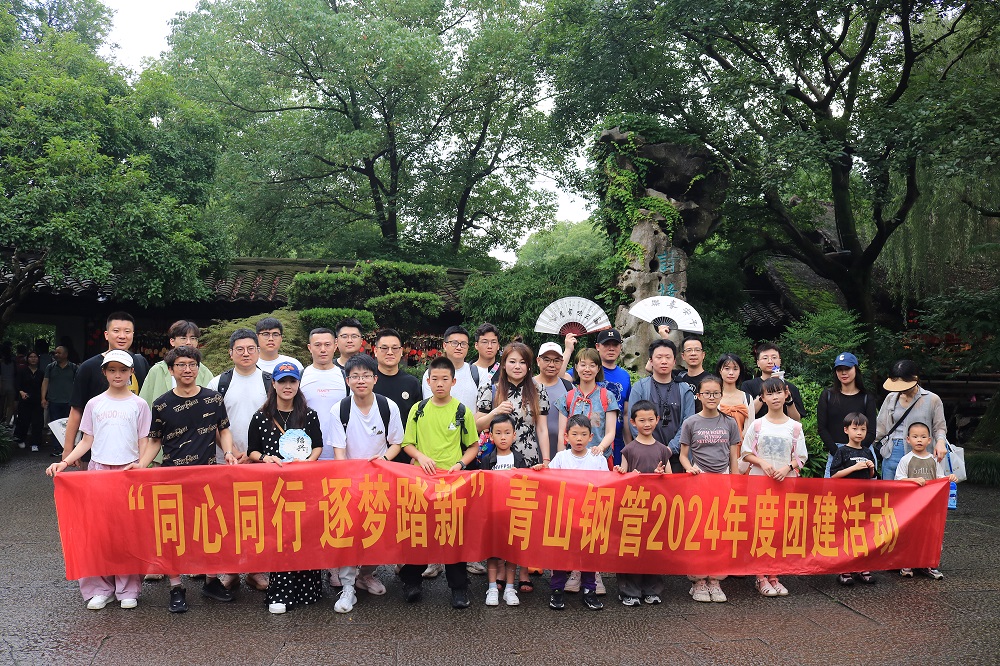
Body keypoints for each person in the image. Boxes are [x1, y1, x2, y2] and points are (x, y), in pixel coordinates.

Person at [45, 350, 152, 610]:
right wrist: (65, 462)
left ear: (131, 373)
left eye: (123, 370)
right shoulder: (94, 404)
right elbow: (87, 441)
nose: (118, 375)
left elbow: (144, 441)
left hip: (128, 473)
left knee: (127, 532)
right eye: (112, 370)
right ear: (104, 373)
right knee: (97, 532)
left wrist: (142, 466)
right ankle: (100, 588)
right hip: (98, 471)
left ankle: (128, 588)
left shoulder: (139, 404)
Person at [138, 345, 240, 613]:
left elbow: (224, 430)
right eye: (181, 365)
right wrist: (140, 466)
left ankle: (211, 581)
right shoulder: (161, 404)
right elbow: (155, 441)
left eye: (192, 364)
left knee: (210, 530)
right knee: (173, 533)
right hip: (172, 478)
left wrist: (229, 452)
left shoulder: (213, 399)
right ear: (171, 370)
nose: (187, 369)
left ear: (198, 368)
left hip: (208, 476)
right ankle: (176, 587)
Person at [399, 356, 480, 609]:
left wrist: (461, 464)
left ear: (454, 382)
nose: (440, 383)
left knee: (452, 533)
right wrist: (421, 457)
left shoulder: (461, 411)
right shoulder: (418, 409)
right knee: (419, 532)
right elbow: (407, 443)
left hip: (451, 482)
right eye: (435, 379)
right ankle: (412, 581)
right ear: (428, 380)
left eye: (445, 379)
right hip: (420, 482)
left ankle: (459, 587)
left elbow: (473, 446)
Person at [246, 362, 325, 613]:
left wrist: (309, 462)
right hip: (275, 488)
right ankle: (280, 592)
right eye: (282, 381)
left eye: (292, 381)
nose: (287, 386)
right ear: (274, 384)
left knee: (304, 534)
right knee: (281, 537)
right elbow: (252, 450)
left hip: (303, 486)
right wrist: (265, 458)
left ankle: (307, 590)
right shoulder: (261, 416)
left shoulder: (309, 415)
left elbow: (318, 445)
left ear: (298, 384)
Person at [328, 354, 404, 612]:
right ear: (347, 380)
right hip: (350, 481)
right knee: (349, 533)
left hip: (380, 481)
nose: (361, 381)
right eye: (355, 376)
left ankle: (366, 574)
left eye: (366, 376)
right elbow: (339, 451)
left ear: (375, 379)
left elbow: (396, 443)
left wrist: (384, 459)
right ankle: (348, 586)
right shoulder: (339, 410)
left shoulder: (388, 407)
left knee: (378, 531)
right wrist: (347, 479)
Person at [475, 341, 552, 584]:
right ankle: (499, 570)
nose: (517, 366)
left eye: (522, 362)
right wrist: (495, 411)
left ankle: (524, 571)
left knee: (525, 517)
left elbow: (541, 428)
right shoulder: (490, 387)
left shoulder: (537, 389)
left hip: (528, 460)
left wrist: (546, 459)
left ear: (529, 366)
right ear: (504, 363)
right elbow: (477, 424)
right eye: (512, 361)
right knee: (499, 517)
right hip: (497, 463)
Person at [206, 329, 272, 592]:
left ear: (258, 351)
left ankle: (255, 570)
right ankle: (231, 569)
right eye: (240, 349)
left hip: (260, 462)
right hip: (226, 461)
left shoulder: (270, 382)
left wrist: (255, 453)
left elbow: (275, 420)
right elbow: (211, 422)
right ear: (230, 353)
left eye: (251, 349)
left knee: (259, 517)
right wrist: (231, 450)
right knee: (228, 518)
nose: (246, 353)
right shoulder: (217, 383)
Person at [739, 376, 807, 598]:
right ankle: (760, 576)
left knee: (779, 529)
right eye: (770, 393)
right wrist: (762, 462)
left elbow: (801, 457)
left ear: (786, 394)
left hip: (785, 483)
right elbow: (745, 453)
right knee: (760, 528)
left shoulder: (795, 427)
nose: (775, 397)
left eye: (779, 392)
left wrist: (788, 468)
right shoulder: (757, 425)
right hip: (759, 483)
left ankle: (775, 575)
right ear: (763, 398)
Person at [678, 377, 742, 603]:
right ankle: (698, 581)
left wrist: (735, 484)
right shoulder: (691, 422)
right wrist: (689, 469)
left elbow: (733, 456)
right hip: (699, 481)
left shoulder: (729, 422)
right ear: (699, 396)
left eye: (716, 393)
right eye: (707, 393)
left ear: (721, 395)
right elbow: (683, 456)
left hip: (723, 481)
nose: (712, 397)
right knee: (699, 532)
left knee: (720, 532)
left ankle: (715, 579)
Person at [63, 312, 150, 465]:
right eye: (116, 331)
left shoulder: (140, 363)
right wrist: (68, 449)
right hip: (96, 451)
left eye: (127, 331)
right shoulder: (88, 367)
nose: (122, 336)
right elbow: (76, 409)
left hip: (132, 454)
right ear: (106, 334)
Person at [547, 414, 608, 611]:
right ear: (566, 436)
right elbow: (548, 481)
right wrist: (540, 470)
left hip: (590, 515)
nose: (579, 439)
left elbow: (608, 484)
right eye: (574, 434)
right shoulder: (561, 458)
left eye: (583, 434)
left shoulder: (597, 458)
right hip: (565, 515)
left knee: (589, 553)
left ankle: (590, 590)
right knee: (560, 553)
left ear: (591, 437)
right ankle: (557, 589)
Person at [614, 400, 669, 606]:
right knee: (631, 548)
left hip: (655, 509)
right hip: (633, 508)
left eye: (651, 419)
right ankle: (629, 590)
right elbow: (623, 475)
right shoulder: (629, 449)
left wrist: (660, 475)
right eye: (642, 420)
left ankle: (652, 589)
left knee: (653, 549)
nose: (647, 424)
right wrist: (625, 474)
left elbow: (672, 480)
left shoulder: (663, 450)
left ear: (657, 420)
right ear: (633, 422)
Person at [481, 414, 532, 607]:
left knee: (512, 551)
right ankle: (492, 587)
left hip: (514, 513)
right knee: (492, 551)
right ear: (491, 436)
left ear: (514, 435)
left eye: (507, 432)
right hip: (493, 513)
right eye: (498, 433)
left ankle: (510, 588)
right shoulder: (487, 459)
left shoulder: (519, 459)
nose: (503, 437)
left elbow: (526, 484)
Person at [895, 421, 956, 580]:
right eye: (915, 436)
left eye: (923, 437)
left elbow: (940, 478)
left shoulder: (933, 460)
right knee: (911, 533)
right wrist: (913, 480)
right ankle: (907, 563)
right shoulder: (906, 459)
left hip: (931, 506)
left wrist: (949, 478)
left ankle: (928, 563)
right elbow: (898, 480)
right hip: (912, 506)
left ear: (929, 440)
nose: (919, 440)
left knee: (930, 534)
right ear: (908, 439)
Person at [627, 339, 696, 473]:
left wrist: (670, 449)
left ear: (674, 361)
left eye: (668, 357)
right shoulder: (640, 388)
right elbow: (633, 421)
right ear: (651, 361)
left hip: (677, 457)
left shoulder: (684, 390)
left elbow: (688, 424)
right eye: (659, 357)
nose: (664, 361)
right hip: (645, 454)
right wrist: (650, 448)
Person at [567, 328, 631, 465]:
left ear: (620, 347)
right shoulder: (587, 368)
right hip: (583, 441)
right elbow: (559, 378)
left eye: (615, 344)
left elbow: (626, 413)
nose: (611, 348)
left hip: (614, 441)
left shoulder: (625, 376)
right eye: (606, 344)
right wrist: (568, 350)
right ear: (597, 346)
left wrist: (629, 444)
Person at [876, 360, 948, 481]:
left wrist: (941, 442)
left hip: (921, 453)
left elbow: (939, 427)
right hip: (893, 451)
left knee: (919, 489)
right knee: (890, 490)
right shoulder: (891, 398)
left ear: (915, 379)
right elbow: (880, 427)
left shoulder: (932, 399)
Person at [829, 412, 877, 586]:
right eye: (855, 429)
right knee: (846, 534)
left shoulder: (867, 451)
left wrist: (871, 468)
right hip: (846, 500)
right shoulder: (841, 451)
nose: (859, 433)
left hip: (863, 500)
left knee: (863, 533)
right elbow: (834, 475)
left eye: (863, 429)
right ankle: (845, 568)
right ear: (846, 430)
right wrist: (854, 468)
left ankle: (862, 567)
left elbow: (872, 476)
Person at [817, 352, 877, 478]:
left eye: (847, 368)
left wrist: (859, 450)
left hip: (863, 453)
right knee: (831, 489)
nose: (843, 373)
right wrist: (838, 452)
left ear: (856, 369)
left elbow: (871, 431)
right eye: (839, 369)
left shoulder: (866, 397)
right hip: (836, 450)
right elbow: (822, 428)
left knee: (866, 490)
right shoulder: (827, 395)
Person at [372, 328, 421, 466]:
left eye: (394, 348)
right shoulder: (367, 382)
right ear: (375, 351)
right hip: (373, 455)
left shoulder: (412, 383)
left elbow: (419, 421)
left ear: (401, 351)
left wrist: (416, 454)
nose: (390, 352)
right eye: (384, 348)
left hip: (405, 456)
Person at [139, 321, 214, 408]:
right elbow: (143, 405)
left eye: (193, 338)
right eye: (183, 338)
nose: (188, 342)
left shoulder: (204, 372)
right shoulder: (157, 370)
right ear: (172, 341)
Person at [299, 327, 348, 456]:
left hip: (341, 453)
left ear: (335, 346)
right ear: (309, 347)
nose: (323, 349)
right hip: (307, 453)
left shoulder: (346, 378)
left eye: (327, 345)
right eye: (317, 345)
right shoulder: (300, 377)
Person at [421, 325, 481, 411]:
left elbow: (482, 410)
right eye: (454, 343)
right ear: (445, 345)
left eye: (463, 344)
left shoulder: (478, 373)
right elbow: (431, 407)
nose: (459, 347)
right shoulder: (431, 374)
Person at [740, 343, 803, 421]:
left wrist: (789, 400)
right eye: (765, 358)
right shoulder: (748, 386)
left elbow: (796, 420)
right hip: (758, 428)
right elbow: (746, 415)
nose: (770, 361)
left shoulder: (790, 387)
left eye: (774, 357)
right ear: (758, 363)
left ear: (780, 361)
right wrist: (763, 395)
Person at [535, 342, 573, 464]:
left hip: (562, 454)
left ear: (562, 363)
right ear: (538, 361)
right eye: (546, 360)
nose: (551, 365)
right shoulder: (527, 387)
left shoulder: (569, 388)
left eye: (556, 361)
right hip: (531, 453)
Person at [41, 345, 77, 456]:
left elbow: (78, 384)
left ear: (66, 355)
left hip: (69, 402)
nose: (56, 355)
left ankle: (68, 448)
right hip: (54, 401)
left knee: (70, 426)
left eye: (59, 353)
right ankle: (57, 448)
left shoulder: (73, 367)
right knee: (55, 426)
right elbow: (45, 382)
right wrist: (43, 398)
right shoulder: (50, 367)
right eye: (55, 353)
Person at [715, 353, 755, 439]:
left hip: (742, 445)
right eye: (727, 368)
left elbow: (750, 429)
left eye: (735, 369)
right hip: (718, 445)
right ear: (720, 370)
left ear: (740, 371)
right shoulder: (713, 397)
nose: (731, 373)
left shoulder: (747, 398)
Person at [14, 351, 44, 451]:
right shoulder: (22, 371)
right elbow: (17, 384)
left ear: (38, 359)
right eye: (31, 357)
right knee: (23, 420)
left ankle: (35, 443)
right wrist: (21, 392)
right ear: (27, 359)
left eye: (35, 357)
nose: (33, 359)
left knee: (37, 422)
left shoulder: (41, 373)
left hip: (37, 400)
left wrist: (44, 399)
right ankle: (20, 439)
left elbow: (44, 386)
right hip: (25, 399)